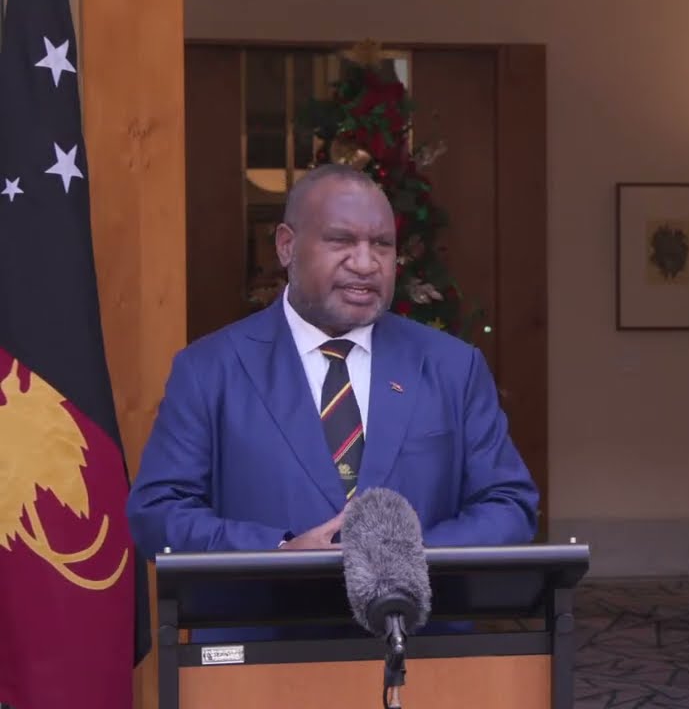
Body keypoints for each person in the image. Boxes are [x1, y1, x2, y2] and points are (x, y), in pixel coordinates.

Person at [126, 164, 539, 636]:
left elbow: (510, 504)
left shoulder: (451, 366)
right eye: (341, 241)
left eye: (381, 245)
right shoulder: (209, 369)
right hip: (260, 663)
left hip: (423, 654)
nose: (365, 264)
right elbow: (158, 512)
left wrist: (408, 554)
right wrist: (277, 553)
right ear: (286, 246)